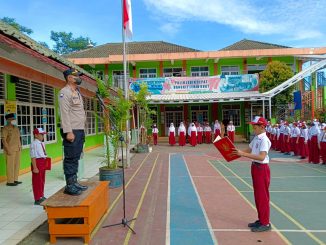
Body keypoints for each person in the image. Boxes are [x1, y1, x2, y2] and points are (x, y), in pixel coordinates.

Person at [232, 116, 272, 232]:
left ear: (262, 127)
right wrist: (234, 151)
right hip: (255, 167)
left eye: (255, 126)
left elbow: (261, 156)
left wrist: (242, 154)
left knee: (262, 196)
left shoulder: (264, 139)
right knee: (257, 196)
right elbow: (248, 150)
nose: (253, 127)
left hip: (261, 169)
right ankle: (261, 219)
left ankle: (265, 223)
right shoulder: (257, 138)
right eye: (253, 125)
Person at [58, 68, 88, 195]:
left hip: (79, 130)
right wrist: (68, 132)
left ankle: (74, 182)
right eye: (76, 76)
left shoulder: (77, 92)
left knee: (75, 157)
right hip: (72, 131)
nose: (79, 78)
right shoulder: (64, 92)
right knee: (70, 158)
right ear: (70, 78)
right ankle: (69, 185)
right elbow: (64, 113)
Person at [1, 113, 22, 186]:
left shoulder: (16, 128)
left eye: (14, 119)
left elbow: (19, 138)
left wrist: (20, 147)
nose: (14, 120)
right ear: (8, 120)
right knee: (10, 165)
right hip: (10, 149)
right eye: (12, 119)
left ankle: (15, 179)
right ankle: (10, 181)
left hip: (17, 148)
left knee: (16, 165)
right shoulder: (5, 128)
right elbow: (3, 140)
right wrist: (8, 149)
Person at [30, 128, 48, 205]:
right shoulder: (34, 144)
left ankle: (41, 195)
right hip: (37, 163)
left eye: (43, 134)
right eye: (41, 134)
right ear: (36, 135)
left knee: (42, 180)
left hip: (42, 162)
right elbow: (33, 156)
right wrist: (35, 167)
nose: (42, 136)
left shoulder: (41, 143)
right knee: (37, 181)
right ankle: (37, 198)